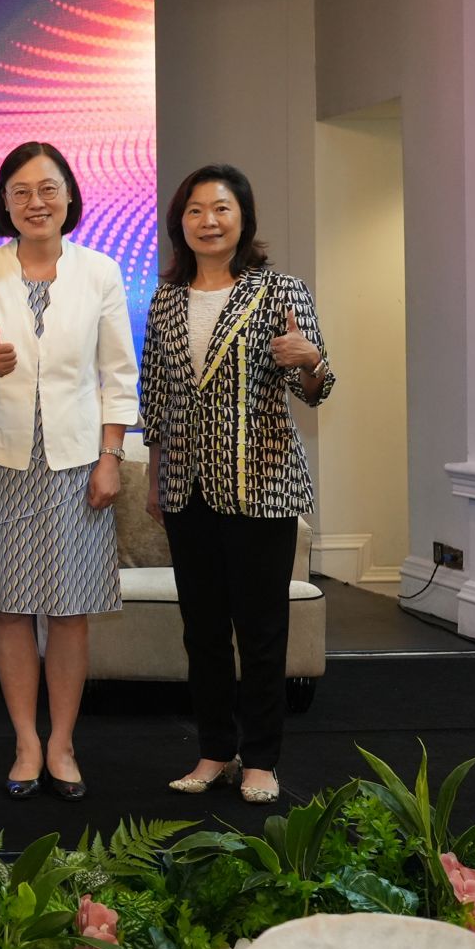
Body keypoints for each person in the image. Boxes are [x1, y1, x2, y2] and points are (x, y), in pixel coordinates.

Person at [0, 141, 139, 802]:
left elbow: (118, 375)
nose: (36, 202)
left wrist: (112, 455)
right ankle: (25, 741)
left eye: (48, 189)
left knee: (68, 609)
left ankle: (62, 742)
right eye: (22, 191)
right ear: (4, 201)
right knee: (8, 606)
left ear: (69, 196)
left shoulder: (100, 272)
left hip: (77, 460)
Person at [142, 164, 334, 805]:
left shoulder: (280, 290)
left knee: (260, 631)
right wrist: (156, 473)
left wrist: (309, 362)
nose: (208, 222)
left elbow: (314, 388)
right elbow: (159, 393)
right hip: (188, 486)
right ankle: (213, 751)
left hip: (261, 483)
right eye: (195, 211)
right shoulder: (167, 298)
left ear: (243, 218)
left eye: (221, 209)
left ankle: (261, 760)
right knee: (200, 631)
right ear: (181, 224)